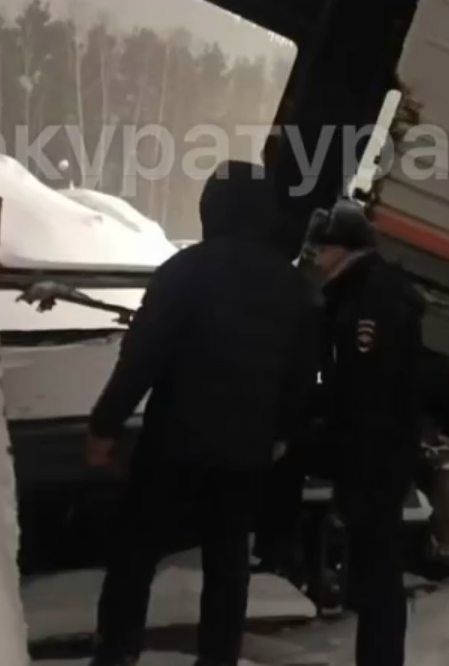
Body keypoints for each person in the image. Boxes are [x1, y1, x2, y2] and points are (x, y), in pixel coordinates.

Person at [83, 159, 321, 666]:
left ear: (212, 209)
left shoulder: (185, 272)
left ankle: (117, 655)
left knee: (134, 556)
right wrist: (283, 432)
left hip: (173, 446)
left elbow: (142, 357)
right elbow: (303, 372)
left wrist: (104, 426)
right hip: (246, 453)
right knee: (228, 565)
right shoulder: (292, 286)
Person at [304, 198, 426, 666]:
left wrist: (355, 471)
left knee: (378, 573)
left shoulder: (368, 304)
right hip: (377, 457)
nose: (315, 255)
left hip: (374, 461)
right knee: (376, 571)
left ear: (345, 249)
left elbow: (368, 395)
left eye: (323, 246)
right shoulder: (364, 291)